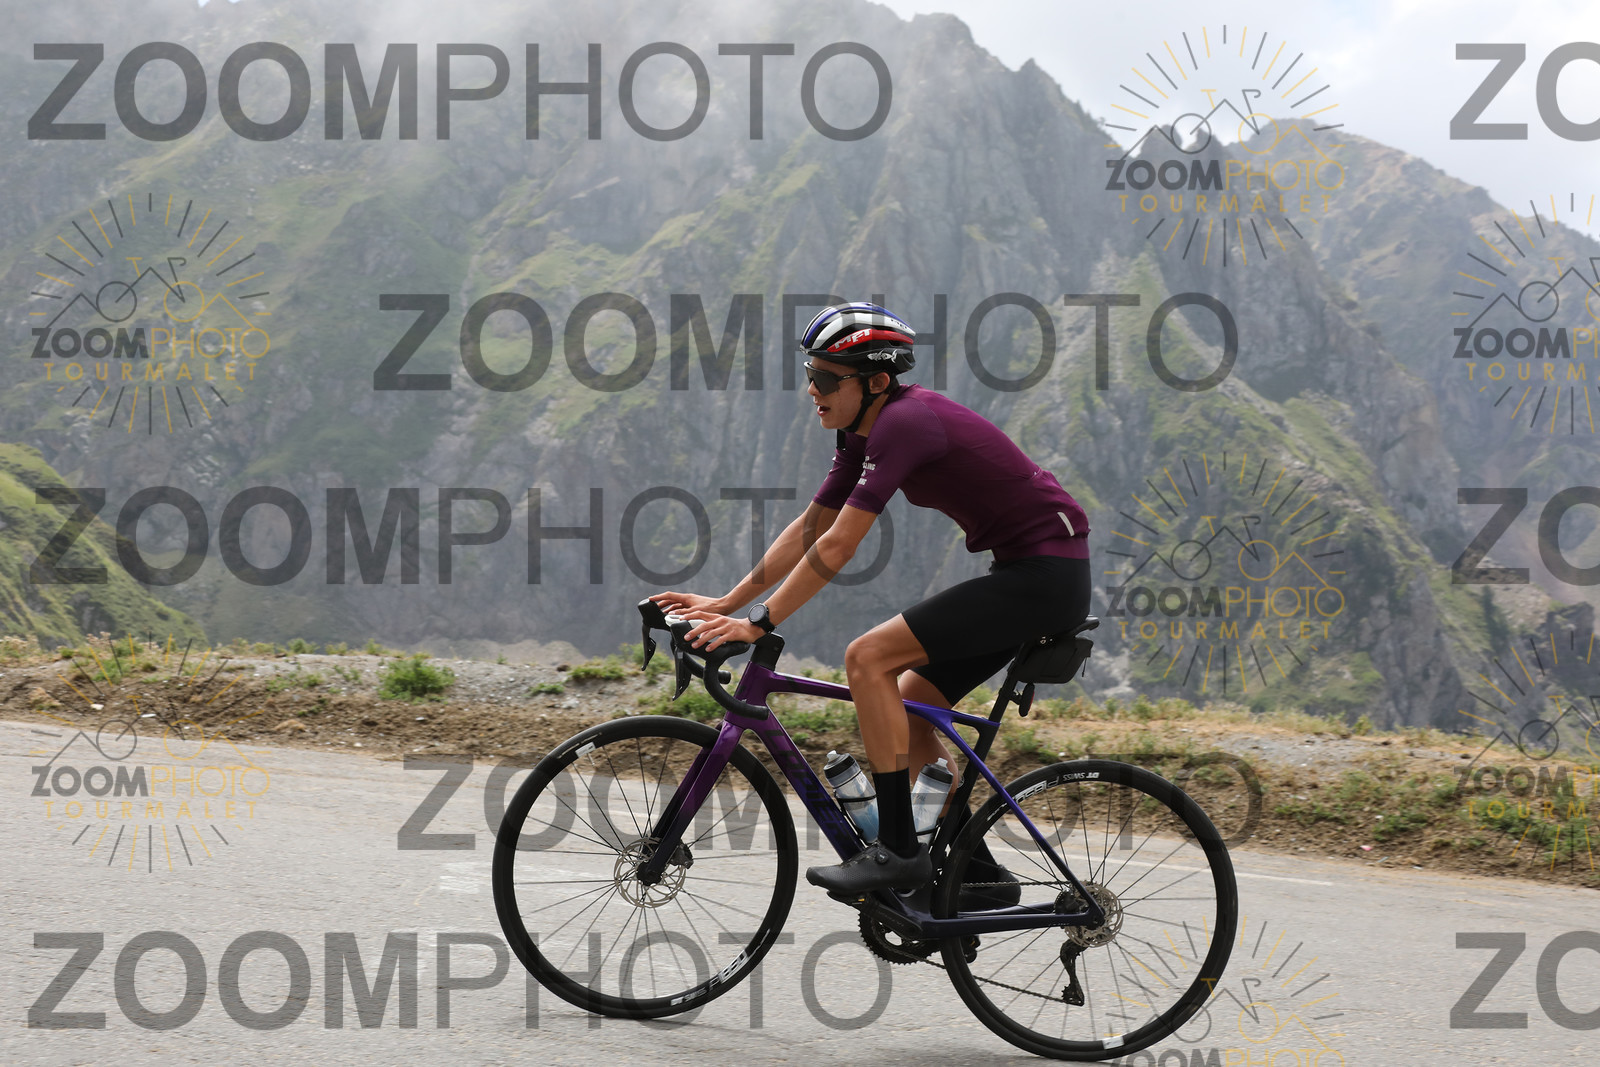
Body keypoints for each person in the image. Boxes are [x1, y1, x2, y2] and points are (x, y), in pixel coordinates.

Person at [649, 302, 1090, 895]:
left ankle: (899, 851)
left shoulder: (905, 423)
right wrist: (728, 602)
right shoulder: (861, 432)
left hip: (1046, 577)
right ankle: (979, 876)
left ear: (877, 383)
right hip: (1025, 572)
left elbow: (839, 545)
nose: (812, 389)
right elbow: (813, 526)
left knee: (867, 657)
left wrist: (760, 622)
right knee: (908, 707)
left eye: (826, 378)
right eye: (810, 374)